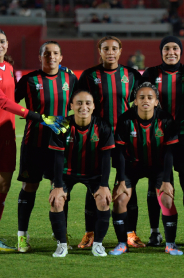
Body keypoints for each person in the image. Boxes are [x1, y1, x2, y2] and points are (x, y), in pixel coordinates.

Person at [0, 28, 66, 259]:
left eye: (1, 41)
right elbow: (0, 100)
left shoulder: (9, 68)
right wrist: (37, 116)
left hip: (7, 135)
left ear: (7, 44)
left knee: (2, 187)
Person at [78, 36, 143, 249]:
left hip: (126, 140)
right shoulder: (89, 75)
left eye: (114, 48)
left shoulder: (131, 75)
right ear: (100, 51)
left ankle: (130, 233)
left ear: (121, 50)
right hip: (97, 140)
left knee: (127, 185)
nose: (111, 52)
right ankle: (90, 232)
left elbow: (142, 105)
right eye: (106, 48)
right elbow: (81, 105)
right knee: (95, 187)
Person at [14, 41, 78, 252]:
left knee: (60, 188)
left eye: (55, 53)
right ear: (40, 57)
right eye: (47, 53)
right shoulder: (29, 80)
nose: (51, 56)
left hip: (61, 145)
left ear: (61, 57)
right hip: (34, 143)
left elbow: (79, 106)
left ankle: (59, 231)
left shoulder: (70, 78)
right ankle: (22, 236)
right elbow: (11, 102)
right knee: (29, 187)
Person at [141, 36, 184, 247]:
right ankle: (155, 232)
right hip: (158, 139)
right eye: (166, 48)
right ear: (161, 51)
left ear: (180, 51)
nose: (171, 52)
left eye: (175, 48)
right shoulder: (151, 73)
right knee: (157, 186)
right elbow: (144, 98)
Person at [109, 82, 183, 256]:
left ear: (156, 102)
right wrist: (120, 180)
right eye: (141, 97)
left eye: (150, 97)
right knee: (120, 200)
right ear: (135, 101)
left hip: (158, 167)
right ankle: (122, 244)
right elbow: (119, 152)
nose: (145, 100)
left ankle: (170, 244)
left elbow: (169, 153)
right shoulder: (125, 119)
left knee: (166, 200)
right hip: (130, 166)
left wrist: (166, 180)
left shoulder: (166, 119)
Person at [48, 89, 115, 257]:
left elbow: (107, 158)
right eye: (79, 103)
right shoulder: (62, 125)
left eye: (87, 103)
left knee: (104, 201)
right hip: (65, 173)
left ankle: (98, 244)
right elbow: (57, 158)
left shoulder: (103, 126)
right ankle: (62, 244)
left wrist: (104, 185)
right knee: (56, 201)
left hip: (93, 174)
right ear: (71, 106)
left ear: (93, 106)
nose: (83, 106)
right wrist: (57, 186)